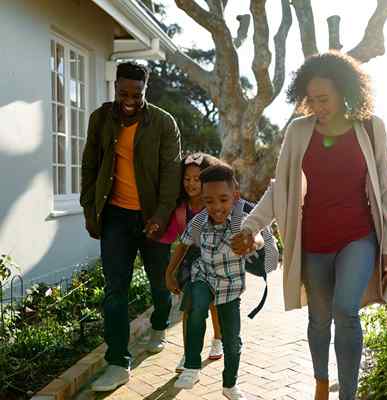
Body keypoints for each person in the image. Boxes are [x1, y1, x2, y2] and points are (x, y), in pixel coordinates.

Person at [231, 51, 387, 400]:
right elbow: (282, 188)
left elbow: (386, 188)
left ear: (344, 92)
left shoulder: (370, 127)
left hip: (358, 236)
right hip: (314, 241)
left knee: (346, 311)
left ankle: (349, 394)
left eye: (323, 98)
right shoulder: (299, 131)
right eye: (311, 99)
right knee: (319, 320)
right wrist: (250, 227)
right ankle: (322, 381)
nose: (317, 106)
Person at [80, 61, 182, 392]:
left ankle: (159, 324)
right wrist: (88, 207)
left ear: (145, 90)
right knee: (115, 290)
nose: (129, 99)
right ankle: (118, 362)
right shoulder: (101, 118)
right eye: (123, 92)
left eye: (136, 93)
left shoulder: (164, 123)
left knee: (160, 283)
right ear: (115, 88)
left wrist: (161, 215)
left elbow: (171, 174)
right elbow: (90, 164)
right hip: (115, 217)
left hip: (153, 216)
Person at [165, 164, 263, 400]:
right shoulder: (199, 220)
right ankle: (191, 366)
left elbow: (258, 237)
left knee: (232, 341)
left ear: (235, 196)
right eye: (209, 201)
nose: (216, 207)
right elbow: (183, 245)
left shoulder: (242, 220)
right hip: (204, 277)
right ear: (203, 199)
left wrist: (252, 242)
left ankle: (230, 385)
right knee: (196, 307)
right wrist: (169, 273)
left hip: (230, 288)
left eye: (223, 199)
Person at [159, 152, 226, 371]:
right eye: (187, 179)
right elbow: (175, 240)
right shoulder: (181, 208)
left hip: (215, 259)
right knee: (189, 307)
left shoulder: (213, 204)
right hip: (190, 263)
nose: (191, 183)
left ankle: (218, 339)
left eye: (197, 178)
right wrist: (169, 272)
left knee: (215, 303)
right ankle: (189, 354)